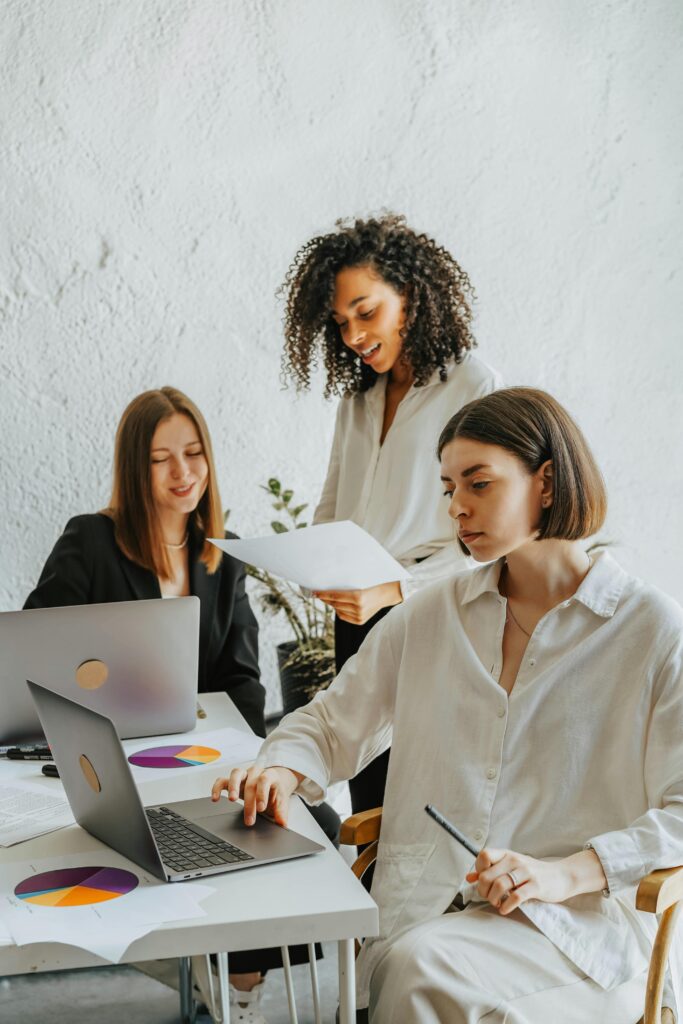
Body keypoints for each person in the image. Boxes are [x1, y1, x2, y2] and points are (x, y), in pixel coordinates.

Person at [212, 388, 683, 1023]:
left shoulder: (651, 629)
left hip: (576, 935)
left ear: (546, 482)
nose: (457, 507)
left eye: (479, 483)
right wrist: (282, 769)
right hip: (428, 911)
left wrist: (567, 873)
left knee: (421, 973)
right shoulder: (432, 615)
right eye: (448, 487)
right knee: (416, 964)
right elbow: (332, 721)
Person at [24, 386, 335, 1024]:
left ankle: (238, 981)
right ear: (135, 468)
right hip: (107, 758)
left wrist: (234, 752)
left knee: (314, 829)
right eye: (162, 459)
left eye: (193, 454)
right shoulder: (90, 542)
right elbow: (33, 659)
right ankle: (218, 970)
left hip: (197, 753)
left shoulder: (223, 553)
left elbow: (244, 679)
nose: (183, 473)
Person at [280, 212, 502, 814]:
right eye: (341, 321)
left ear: (409, 296)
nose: (352, 333)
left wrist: (395, 588)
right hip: (357, 614)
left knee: (424, 797)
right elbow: (334, 501)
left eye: (366, 311)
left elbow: (490, 535)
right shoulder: (359, 397)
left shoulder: (471, 385)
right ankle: (374, 907)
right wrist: (315, 565)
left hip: (431, 610)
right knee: (369, 801)